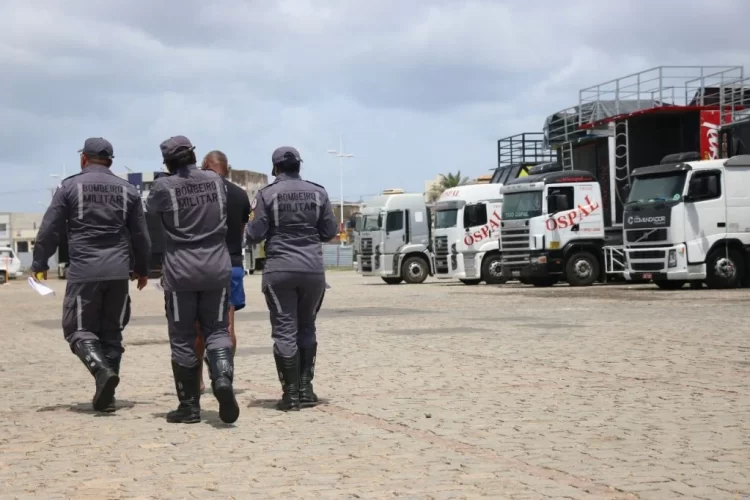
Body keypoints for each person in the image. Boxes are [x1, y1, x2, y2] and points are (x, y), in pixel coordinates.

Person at [31, 137, 151, 413]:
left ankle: (100, 373)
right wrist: (143, 269)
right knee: (111, 333)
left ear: (84, 159)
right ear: (110, 161)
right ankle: (106, 396)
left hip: (85, 272)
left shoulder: (69, 187)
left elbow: (50, 228)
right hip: (119, 271)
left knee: (78, 330)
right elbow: (141, 236)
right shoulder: (127, 190)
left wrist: (40, 262)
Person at [145, 136, 239, 425]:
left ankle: (189, 407)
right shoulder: (215, 181)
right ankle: (222, 379)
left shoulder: (163, 187)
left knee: (184, 336)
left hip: (181, 271)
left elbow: (151, 217)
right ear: (193, 155)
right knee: (218, 329)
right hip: (217, 266)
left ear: (167, 162)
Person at [245, 146, 338, 411]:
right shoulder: (319, 193)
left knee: (285, 328)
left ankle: (291, 394)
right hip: (312, 270)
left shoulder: (266, 195)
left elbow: (254, 233)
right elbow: (330, 230)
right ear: (299, 166)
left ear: (275, 169)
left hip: (279, 270)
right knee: (307, 326)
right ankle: (306, 389)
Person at [195, 150, 250, 392]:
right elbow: (241, 228)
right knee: (228, 327)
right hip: (233, 263)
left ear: (206, 165)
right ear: (227, 168)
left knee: (198, 327)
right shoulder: (240, 194)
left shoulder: (199, 192)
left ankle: (197, 381)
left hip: (204, 263)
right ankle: (225, 376)